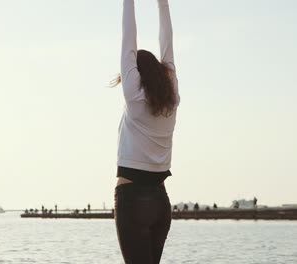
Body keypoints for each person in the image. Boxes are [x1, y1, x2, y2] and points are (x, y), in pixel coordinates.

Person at [113, 0, 180, 263]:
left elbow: (128, 38)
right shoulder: (172, 100)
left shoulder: (134, 98)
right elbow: (168, 44)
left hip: (132, 200)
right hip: (161, 202)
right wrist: (162, 4)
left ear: (135, 74)